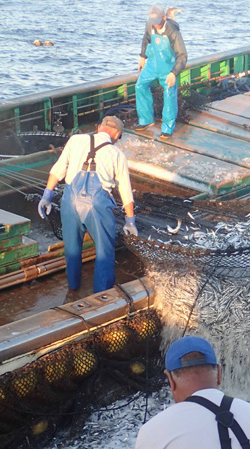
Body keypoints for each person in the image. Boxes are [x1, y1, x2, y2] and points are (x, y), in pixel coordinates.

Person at [38, 115, 137, 293]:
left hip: (70, 201)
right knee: (104, 252)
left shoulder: (75, 140)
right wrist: (130, 220)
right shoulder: (117, 154)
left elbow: (59, 169)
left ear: (98, 127)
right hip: (97, 205)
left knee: (72, 249)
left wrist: (47, 196)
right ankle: (102, 296)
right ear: (117, 135)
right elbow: (125, 190)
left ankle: (73, 287)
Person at [135, 5, 188, 140]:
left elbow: (182, 56)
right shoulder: (150, 25)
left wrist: (173, 73)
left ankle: (167, 128)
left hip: (167, 67)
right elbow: (146, 39)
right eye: (153, 22)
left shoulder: (173, 31)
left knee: (169, 93)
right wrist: (142, 56)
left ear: (164, 17)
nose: (155, 25)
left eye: (157, 22)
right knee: (140, 86)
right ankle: (146, 119)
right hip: (152, 64)